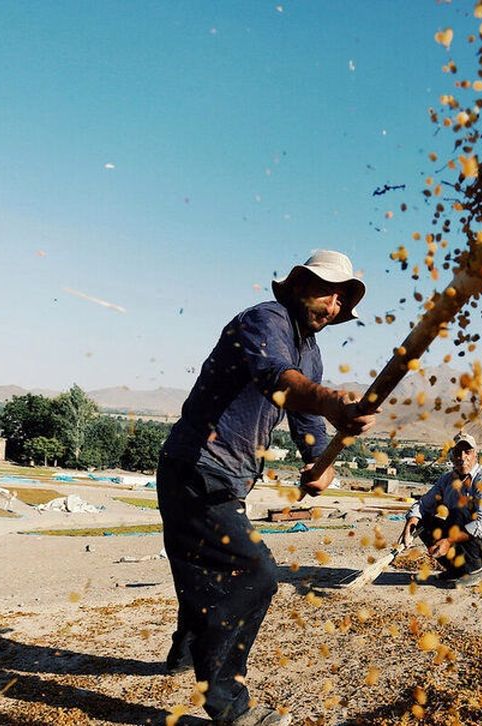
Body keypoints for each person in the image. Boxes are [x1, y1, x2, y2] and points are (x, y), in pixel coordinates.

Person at [156, 250, 376, 726]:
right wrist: (335, 401)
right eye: (327, 291)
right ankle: (229, 706)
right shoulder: (265, 322)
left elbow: (308, 421)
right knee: (254, 573)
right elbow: (280, 381)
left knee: (203, 569)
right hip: (196, 468)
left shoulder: (311, 353)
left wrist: (321, 463)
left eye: (342, 298)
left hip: (224, 479)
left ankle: (185, 653)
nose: (334, 304)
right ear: (298, 285)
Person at [399, 432, 482, 587]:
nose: (462, 457)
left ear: (475, 455)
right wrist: (410, 524)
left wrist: (448, 541)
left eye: (467, 452)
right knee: (424, 521)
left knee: (459, 512)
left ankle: (475, 571)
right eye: (457, 452)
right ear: (452, 456)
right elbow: (423, 505)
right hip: (469, 538)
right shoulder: (447, 480)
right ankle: (457, 569)